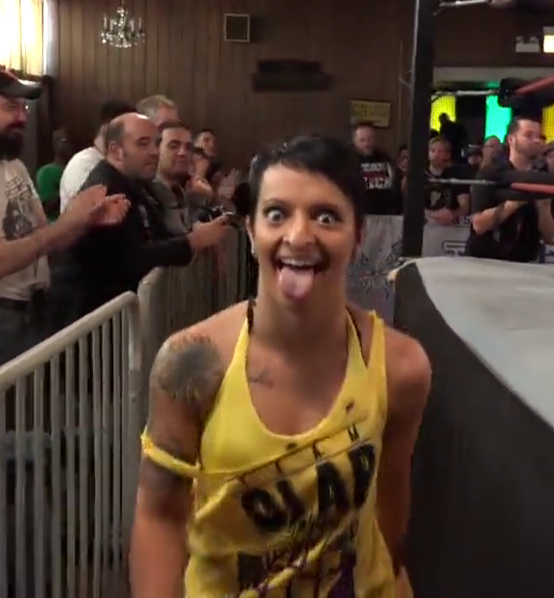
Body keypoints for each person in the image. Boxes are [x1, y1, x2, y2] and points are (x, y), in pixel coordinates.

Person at [129, 135, 432, 597]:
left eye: (326, 217)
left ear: (357, 237)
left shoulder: (401, 366)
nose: (299, 236)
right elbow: (159, 514)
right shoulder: (192, 364)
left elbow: (391, 494)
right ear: (251, 232)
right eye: (277, 214)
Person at [0, 68, 127, 373]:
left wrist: (86, 219)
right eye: (10, 107)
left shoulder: (13, 166)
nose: (21, 117)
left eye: (23, 108)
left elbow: (43, 238)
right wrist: (69, 223)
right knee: (14, 406)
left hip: (32, 312)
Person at [50, 114, 228, 326]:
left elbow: (160, 234)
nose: (154, 151)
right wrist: (194, 241)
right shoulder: (104, 188)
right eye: (143, 144)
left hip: (110, 320)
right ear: (116, 151)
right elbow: (130, 258)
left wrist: (200, 237)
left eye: (156, 143)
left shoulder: (134, 185)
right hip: (85, 321)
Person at [467, 116, 554, 263]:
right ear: (511, 139)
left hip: (525, 262)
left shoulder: (542, 178)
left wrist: (544, 208)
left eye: (540, 136)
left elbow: (550, 237)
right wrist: (513, 203)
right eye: (528, 135)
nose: (536, 141)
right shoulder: (490, 173)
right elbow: (478, 225)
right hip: (486, 260)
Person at [59, 99, 136, 211]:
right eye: (129, 132)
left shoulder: (113, 162)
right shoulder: (83, 164)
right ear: (106, 129)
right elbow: (92, 212)